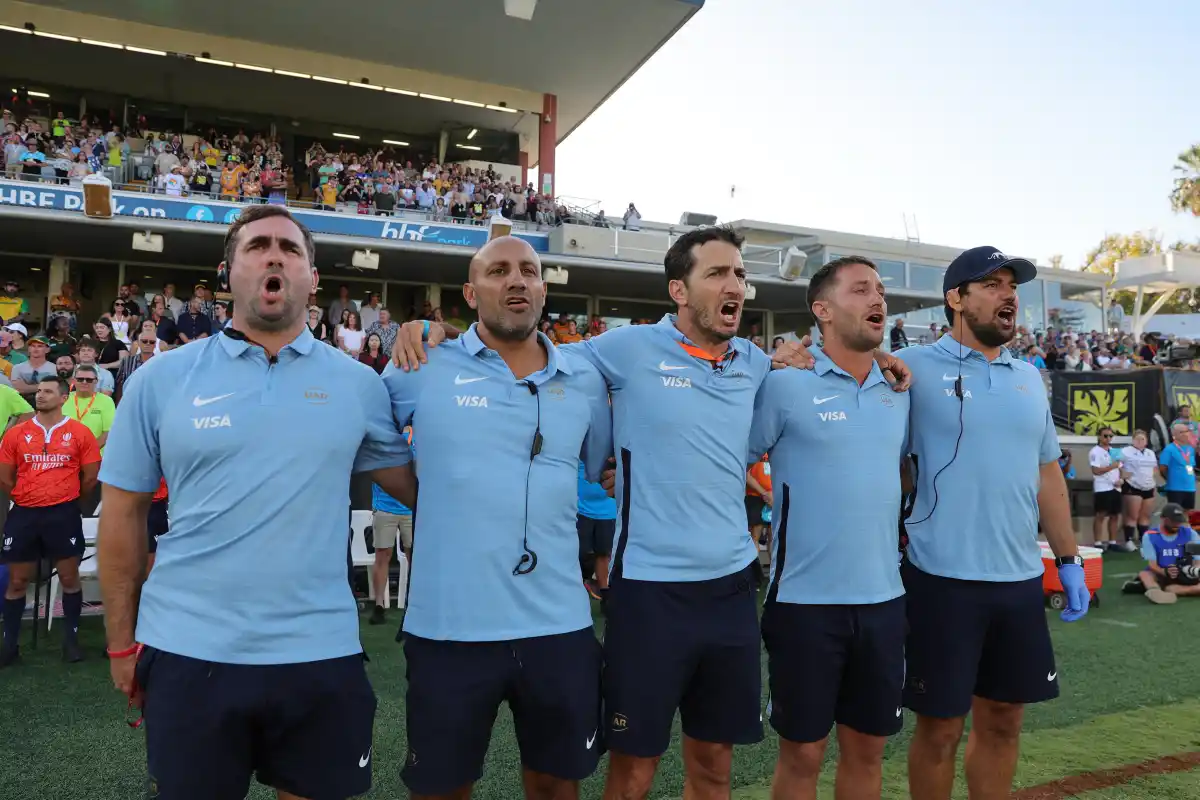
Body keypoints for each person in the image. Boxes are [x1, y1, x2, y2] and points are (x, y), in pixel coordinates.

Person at [391, 227, 912, 799]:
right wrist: (428, 328)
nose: (734, 284)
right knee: (634, 771)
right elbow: (526, 349)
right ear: (679, 291)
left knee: (715, 765)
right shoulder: (622, 350)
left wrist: (879, 353)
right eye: (716, 273)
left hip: (734, 590)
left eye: (739, 274)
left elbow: (832, 370)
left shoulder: (759, 367)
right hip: (648, 592)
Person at [96, 204, 415, 800]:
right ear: (228, 272)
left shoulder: (358, 385)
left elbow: (426, 490)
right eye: (258, 246)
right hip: (190, 648)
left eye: (291, 250)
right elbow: (122, 516)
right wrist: (120, 640)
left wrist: (439, 353)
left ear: (312, 280)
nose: (275, 256)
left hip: (320, 651)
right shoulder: (161, 380)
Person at [382, 236, 613, 798]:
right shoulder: (422, 363)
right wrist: (434, 498)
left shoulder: (584, 377)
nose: (516, 280)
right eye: (499, 270)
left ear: (542, 288)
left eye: (529, 270)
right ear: (469, 292)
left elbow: (602, 465)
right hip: (449, 627)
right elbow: (368, 443)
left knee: (558, 788)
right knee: (440, 789)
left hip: (559, 626)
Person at [896, 246, 1087, 800]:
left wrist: (1068, 559)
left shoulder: (1029, 377)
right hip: (940, 579)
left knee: (1004, 720)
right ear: (955, 298)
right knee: (941, 728)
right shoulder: (911, 370)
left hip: (1019, 581)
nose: (1009, 295)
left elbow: (1047, 475)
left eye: (1012, 285)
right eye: (992, 284)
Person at [748, 256, 910, 799]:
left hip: (886, 602)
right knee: (803, 757)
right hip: (804, 606)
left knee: (868, 754)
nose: (878, 299)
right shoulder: (785, 384)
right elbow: (731, 462)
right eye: (861, 289)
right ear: (822, 309)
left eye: (881, 290)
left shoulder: (897, 386)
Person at [0, 375, 101, 667]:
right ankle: (10, 645)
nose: (39, 396)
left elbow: (91, 476)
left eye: (47, 391)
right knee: (17, 580)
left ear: (63, 398)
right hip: (24, 513)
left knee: (69, 577)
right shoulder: (16, 434)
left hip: (63, 513)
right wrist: (26, 496)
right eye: (38, 391)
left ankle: (71, 640)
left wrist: (69, 501)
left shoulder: (80, 433)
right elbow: (5, 476)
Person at [367, 428, 414, 627]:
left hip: (410, 507)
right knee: (382, 555)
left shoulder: (417, 434)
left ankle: (414, 604)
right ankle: (379, 606)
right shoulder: (381, 435)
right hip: (384, 507)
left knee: (415, 558)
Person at [1124, 502, 1200, 604]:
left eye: (1179, 522)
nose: (1177, 525)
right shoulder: (1150, 536)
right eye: (1174, 522)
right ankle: (1155, 590)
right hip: (1161, 572)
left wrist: (1193, 572)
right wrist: (1165, 571)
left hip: (1185, 572)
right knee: (1145, 574)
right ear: (1164, 519)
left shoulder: (1190, 534)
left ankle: (1175, 589)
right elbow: (1152, 564)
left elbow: (1197, 560)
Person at [577, 458, 617, 606]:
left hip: (608, 512)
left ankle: (605, 597)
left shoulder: (614, 447)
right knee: (577, 554)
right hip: (580, 509)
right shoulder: (580, 444)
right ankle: (576, 590)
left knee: (603, 555)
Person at [1119, 429, 1158, 549]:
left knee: (1145, 515)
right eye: (1138, 439)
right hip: (1133, 485)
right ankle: (1129, 540)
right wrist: (1122, 474)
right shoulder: (1125, 451)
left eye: (1143, 439)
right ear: (1133, 440)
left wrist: (1154, 479)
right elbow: (1117, 464)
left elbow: (1154, 468)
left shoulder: (1150, 453)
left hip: (1149, 486)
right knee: (1132, 515)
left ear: (1146, 441)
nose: (1140, 441)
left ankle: (1143, 540)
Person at [1089, 426, 1124, 550]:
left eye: (1110, 436)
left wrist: (1122, 479)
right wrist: (1112, 467)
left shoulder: (1115, 451)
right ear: (1099, 436)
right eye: (1105, 436)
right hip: (1102, 487)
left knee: (1115, 515)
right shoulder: (1095, 452)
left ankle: (1112, 542)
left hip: (1116, 487)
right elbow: (1096, 470)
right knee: (1101, 514)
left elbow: (1121, 467)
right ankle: (1098, 542)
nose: (1108, 438)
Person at [1159, 422, 1196, 510]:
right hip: (1175, 488)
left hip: (1190, 488)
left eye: (1188, 431)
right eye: (1185, 432)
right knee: (1175, 514)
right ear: (1177, 434)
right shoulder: (1169, 449)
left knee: (1187, 514)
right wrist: (1171, 478)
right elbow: (1162, 468)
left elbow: (1190, 466)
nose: (1188, 434)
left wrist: (1190, 477)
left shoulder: (1190, 449)